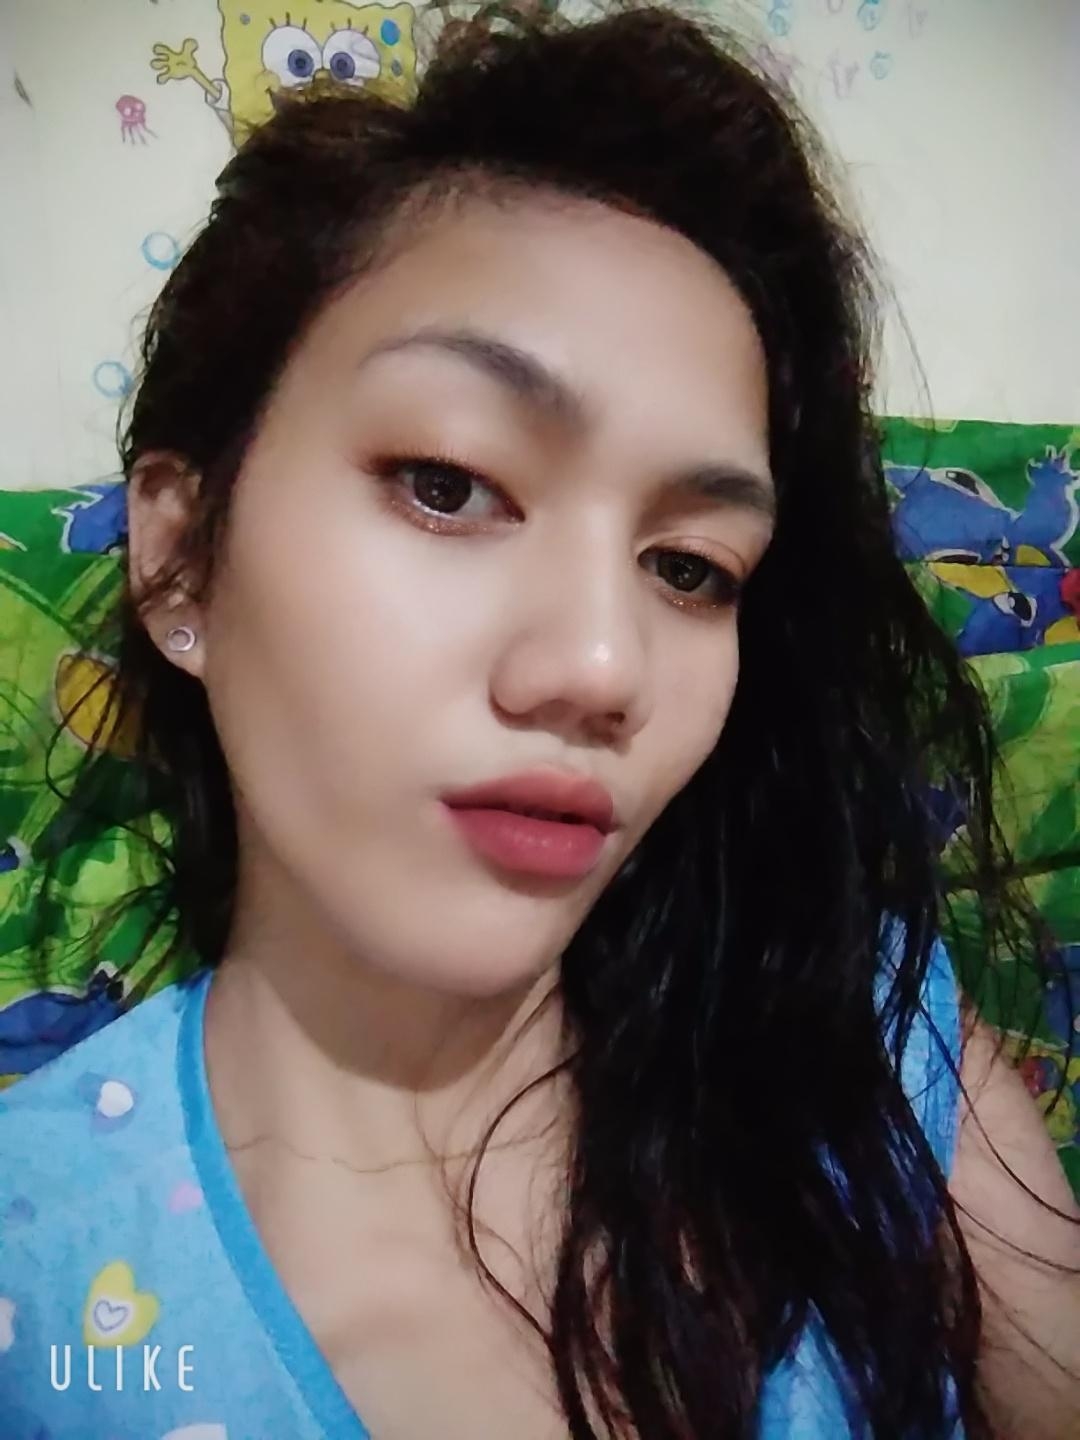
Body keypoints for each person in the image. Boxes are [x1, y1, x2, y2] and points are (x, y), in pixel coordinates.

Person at [1, 2, 1077, 1436]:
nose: (600, 664)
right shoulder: (38, 1288)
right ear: (181, 557)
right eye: (448, 485)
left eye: (690, 568)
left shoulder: (866, 1060)